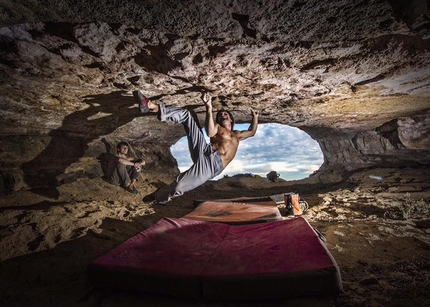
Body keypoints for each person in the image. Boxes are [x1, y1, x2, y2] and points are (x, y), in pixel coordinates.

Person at [133, 90, 259, 204]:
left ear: (231, 119)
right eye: (220, 115)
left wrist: (255, 117)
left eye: (226, 114)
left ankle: (158, 195)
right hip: (204, 150)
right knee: (189, 115)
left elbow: (252, 132)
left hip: (211, 166)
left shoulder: (237, 134)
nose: (223, 115)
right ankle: (151, 106)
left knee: (179, 186)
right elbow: (209, 133)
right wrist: (208, 107)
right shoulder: (217, 127)